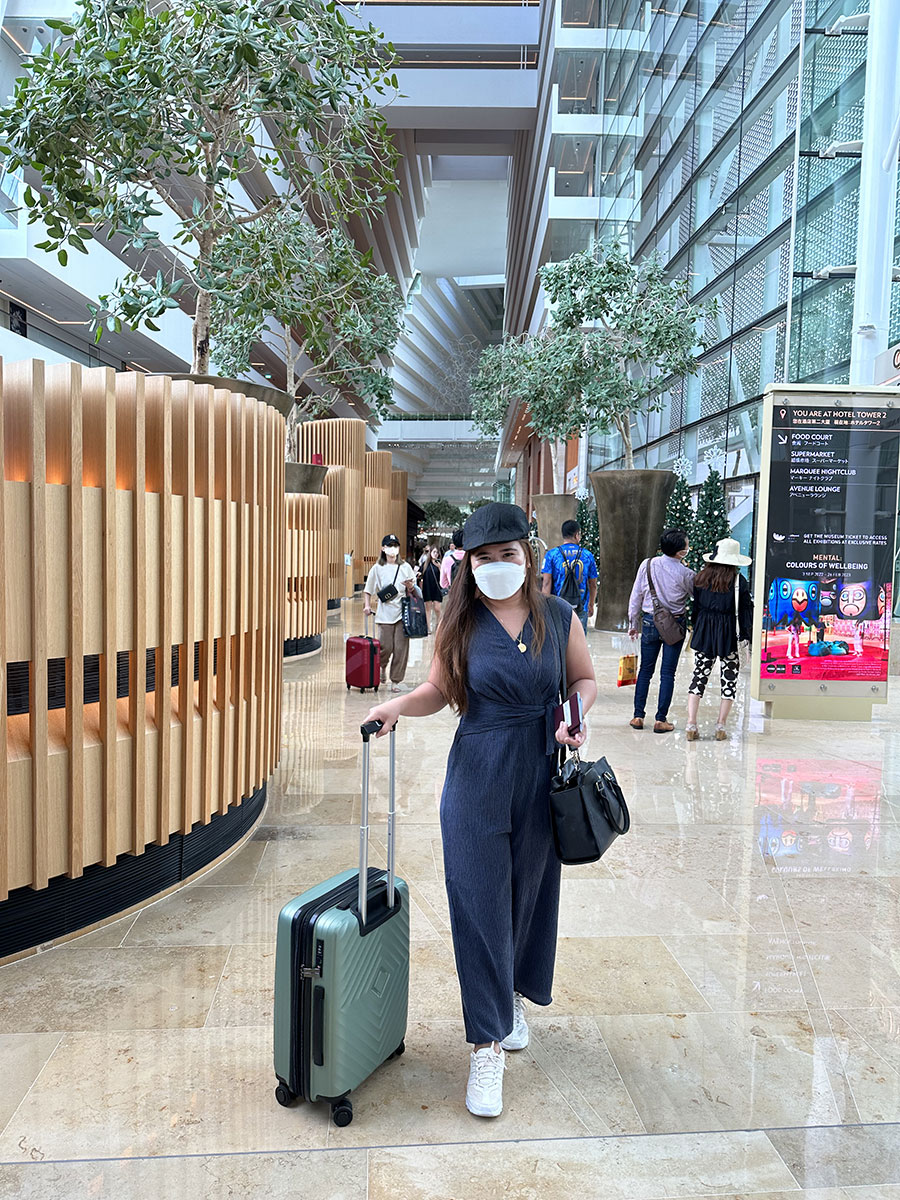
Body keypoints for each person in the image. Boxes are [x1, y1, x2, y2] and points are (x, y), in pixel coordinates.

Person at [364, 502, 596, 1119]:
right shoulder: (461, 625)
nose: (497, 566)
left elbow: (584, 681)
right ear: (468, 563)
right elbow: (438, 692)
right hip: (477, 773)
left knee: (527, 895)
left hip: (540, 770)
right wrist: (393, 708)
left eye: (508, 555)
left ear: (529, 553)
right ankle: (485, 1044)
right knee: (476, 899)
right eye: (485, 557)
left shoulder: (558, 616)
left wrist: (575, 715)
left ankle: (512, 995)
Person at [627, 529, 695, 733]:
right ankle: (660, 719)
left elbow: (636, 595)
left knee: (645, 671)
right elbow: (694, 595)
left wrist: (633, 623)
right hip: (674, 626)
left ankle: (638, 716)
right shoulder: (686, 574)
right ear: (680, 551)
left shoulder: (647, 565)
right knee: (668, 673)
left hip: (649, 622)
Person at [685, 536, 753, 742]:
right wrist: (747, 638)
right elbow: (745, 612)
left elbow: (695, 608)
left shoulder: (701, 578)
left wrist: (695, 628)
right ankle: (721, 725)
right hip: (729, 634)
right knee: (729, 680)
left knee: (698, 677)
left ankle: (691, 723)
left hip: (705, 631)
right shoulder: (739, 582)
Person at [363, 534, 416, 693]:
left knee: (401, 649)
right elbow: (368, 590)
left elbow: (413, 589)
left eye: (395, 545)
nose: (393, 549)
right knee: (385, 647)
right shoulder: (377, 568)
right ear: (383, 548)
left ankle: (396, 680)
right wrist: (366, 606)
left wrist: (410, 586)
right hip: (385, 613)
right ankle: (382, 666)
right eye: (389, 545)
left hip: (402, 613)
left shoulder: (405, 567)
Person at [540, 520, 598, 632]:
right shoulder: (587, 555)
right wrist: (590, 604)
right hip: (581, 606)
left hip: (558, 606)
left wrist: (544, 607)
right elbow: (593, 584)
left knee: (559, 642)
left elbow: (546, 583)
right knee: (579, 643)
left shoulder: (552, 554)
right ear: (577, 535)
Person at [420, 544, 444, 632]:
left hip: (437, 588)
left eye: (437, 552)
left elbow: (444, 577)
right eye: (434, 552)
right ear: (430, 553)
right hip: (427, 588)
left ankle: (439, 625)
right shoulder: (425, 564)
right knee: (428, 608)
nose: (436, 554)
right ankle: (428, 628)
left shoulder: (440, 564)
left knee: (437, 608)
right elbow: (419, 573)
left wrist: (440, 567)